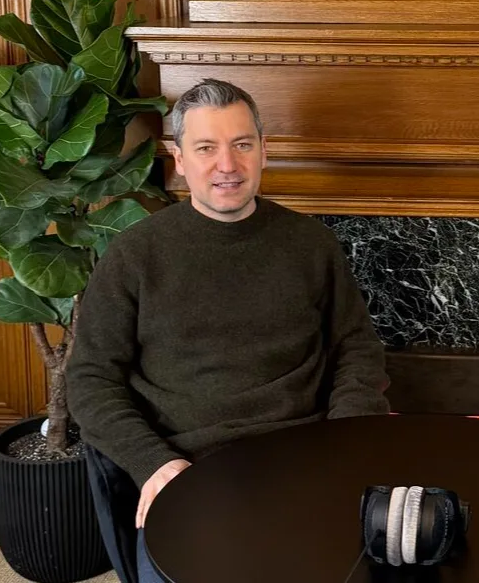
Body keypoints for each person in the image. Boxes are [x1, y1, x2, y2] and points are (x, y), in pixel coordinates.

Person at [66, 78, 391, 583]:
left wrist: (345, 441)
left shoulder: (311, 244)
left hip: (309, 457)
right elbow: (90, 378)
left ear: (264, 151)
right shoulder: (135, 254)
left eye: (242, 144)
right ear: (179, 158)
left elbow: (357, 348)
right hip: (190, 469)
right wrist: (153, 463)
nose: (227, 165)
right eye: (206, 148)